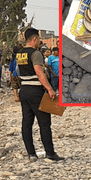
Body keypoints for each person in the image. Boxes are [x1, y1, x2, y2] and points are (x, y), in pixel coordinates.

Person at [16, 28, 64, 161]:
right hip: (35, 90)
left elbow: (17, 72)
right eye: (38, 40)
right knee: (44, 122)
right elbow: (39, 72)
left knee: (27, 122)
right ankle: (50, 153)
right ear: (35, 39)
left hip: (24, 90)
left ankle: (31, 153)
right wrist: (49, 89)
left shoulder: (20, 53)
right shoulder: (35, 53)